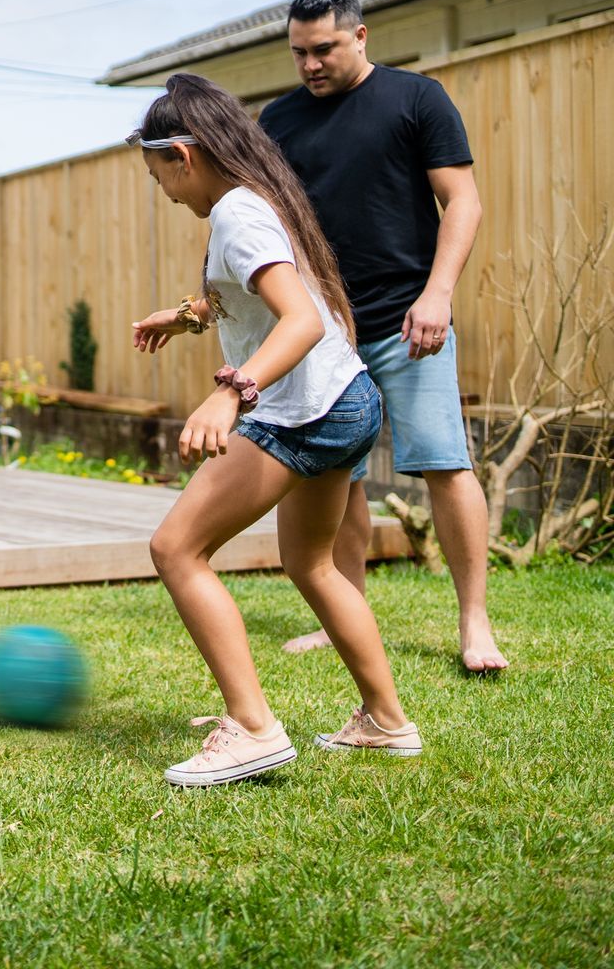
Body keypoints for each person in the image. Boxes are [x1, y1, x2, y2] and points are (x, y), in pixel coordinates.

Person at [129, 75, 420, 788]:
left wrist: (232, 394)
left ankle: (253, 729)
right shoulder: (258, 199)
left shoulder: (237, 213)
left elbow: (302, 318)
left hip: (303, 411)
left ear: (184, 156)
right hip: (347, 399)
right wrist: (191, 315)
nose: (162, 190)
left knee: (177, 549)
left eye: (156, 172)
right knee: (312, 564)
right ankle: (385, 720)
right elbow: (257, 295)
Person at [260, 0, 505, 673]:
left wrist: (437, 295)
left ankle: (474, 622)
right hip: (326, 329)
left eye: (324, 49)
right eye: (299, 53)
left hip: (408, 319)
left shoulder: (415, 99)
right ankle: (347, 614)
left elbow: (462, 201)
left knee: (443, 462)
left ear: (360, 36)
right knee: (336, 476)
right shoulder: (280, 120)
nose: (310, 64)